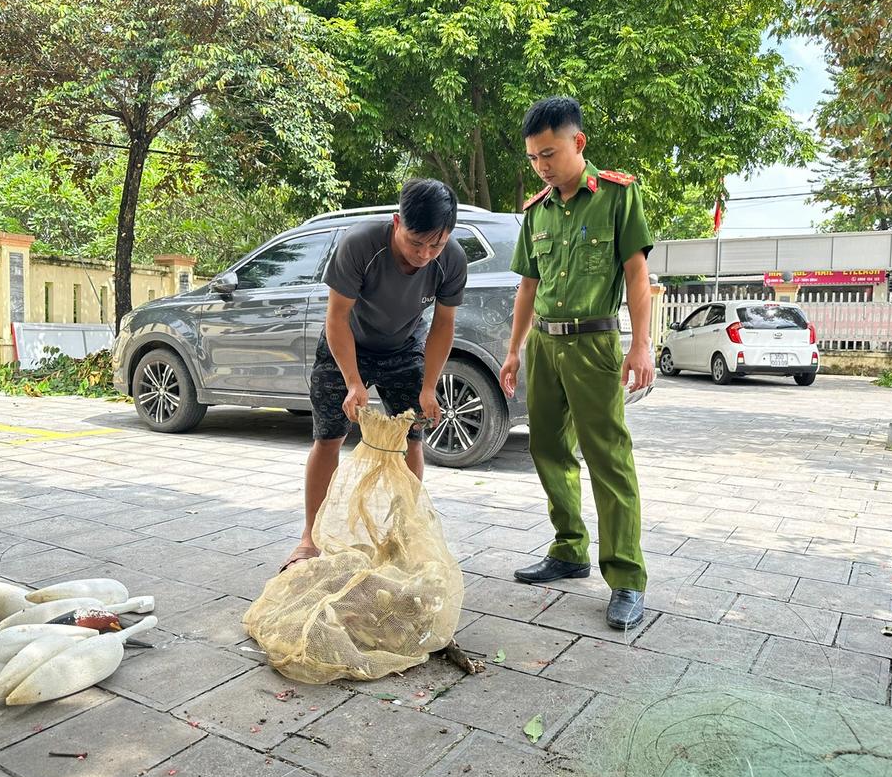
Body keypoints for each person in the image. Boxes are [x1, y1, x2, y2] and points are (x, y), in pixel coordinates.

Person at [499, 96, 655, 629]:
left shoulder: (616, 196)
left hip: (593, 344)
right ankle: (569, 550)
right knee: (544, 446)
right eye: (534, 158)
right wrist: (514, 350)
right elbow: (527, 286)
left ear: (578, 143)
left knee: (608, 457)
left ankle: (627, 577)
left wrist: (641, 344)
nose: (542, 165)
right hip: (544, 343)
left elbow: (636, 275)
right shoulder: (536, 211)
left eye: (549, 153)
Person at [280, 178, 468, 571]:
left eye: (435, 245)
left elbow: (443, 326)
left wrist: (430, 387)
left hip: (404, 346)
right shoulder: (360, 244)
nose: (424, 254)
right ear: (397, 222)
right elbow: (337, 317)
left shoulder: (450, 259)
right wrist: (352, 381)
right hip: (349, 344)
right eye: (416, 243)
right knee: (328, 437)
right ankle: (309, 539)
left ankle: (404, 534)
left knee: (412, 439)